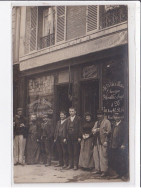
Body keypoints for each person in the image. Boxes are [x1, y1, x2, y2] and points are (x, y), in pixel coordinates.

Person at [92, 110, 111, 177]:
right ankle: (98, 169)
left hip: (103, 141)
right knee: (96, 155)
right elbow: (93, 130)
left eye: (100, 114)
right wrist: (95, 130)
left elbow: (109, 132)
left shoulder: (107, 122)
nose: (99, 116)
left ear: (103, 115)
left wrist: (106, 141)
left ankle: (104, 171)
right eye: (98, 115)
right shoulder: (97, 122)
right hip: (96, 140)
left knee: (103, 156)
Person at [110, 112, 129, 180]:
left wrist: (124, 144)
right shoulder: (114, 124)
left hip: (120, 145)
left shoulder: (124, 124)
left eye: (118, 116)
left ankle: (123, 175)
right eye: (115, 116)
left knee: (122, 160)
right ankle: (118, 173)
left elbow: (126, 135)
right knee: (116, 159)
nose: (116, 117)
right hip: (113, 145)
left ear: (121, 117)